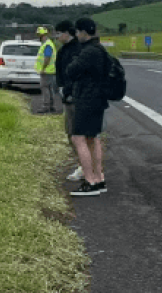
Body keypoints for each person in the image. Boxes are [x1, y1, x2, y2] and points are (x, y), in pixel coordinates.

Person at [66, 17, 108, 196]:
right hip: (98, 99)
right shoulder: (100, 49)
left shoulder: (89, 51)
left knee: (78, 139)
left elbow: (71, 71)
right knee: (92, 138)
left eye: (77, 31)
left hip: (87, 99)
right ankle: (99, 179)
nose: (76, 35)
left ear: (83, 32)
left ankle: (89, 181)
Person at [54, 20, 84, 181]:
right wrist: (60, 87)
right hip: (66, 97)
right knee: (70, 132)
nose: (57, 36)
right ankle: (81, 163)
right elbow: (60, 72)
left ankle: (84, 166)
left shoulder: (78, 49)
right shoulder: (63, 51)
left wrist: (71, 90)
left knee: (78, 133)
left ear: (68, 33)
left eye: (59, 33)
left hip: (77, 97)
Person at [35, 26, 57, 113]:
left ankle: (46, 106)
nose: (38, 37)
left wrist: (43, 68)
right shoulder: (47, 44)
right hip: (49, 70)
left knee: (45, 88)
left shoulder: (47, 45)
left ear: (42, 35)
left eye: (38, 35)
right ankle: (51, 106)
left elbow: (47, 57)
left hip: (46, 70)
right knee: (49, 88)